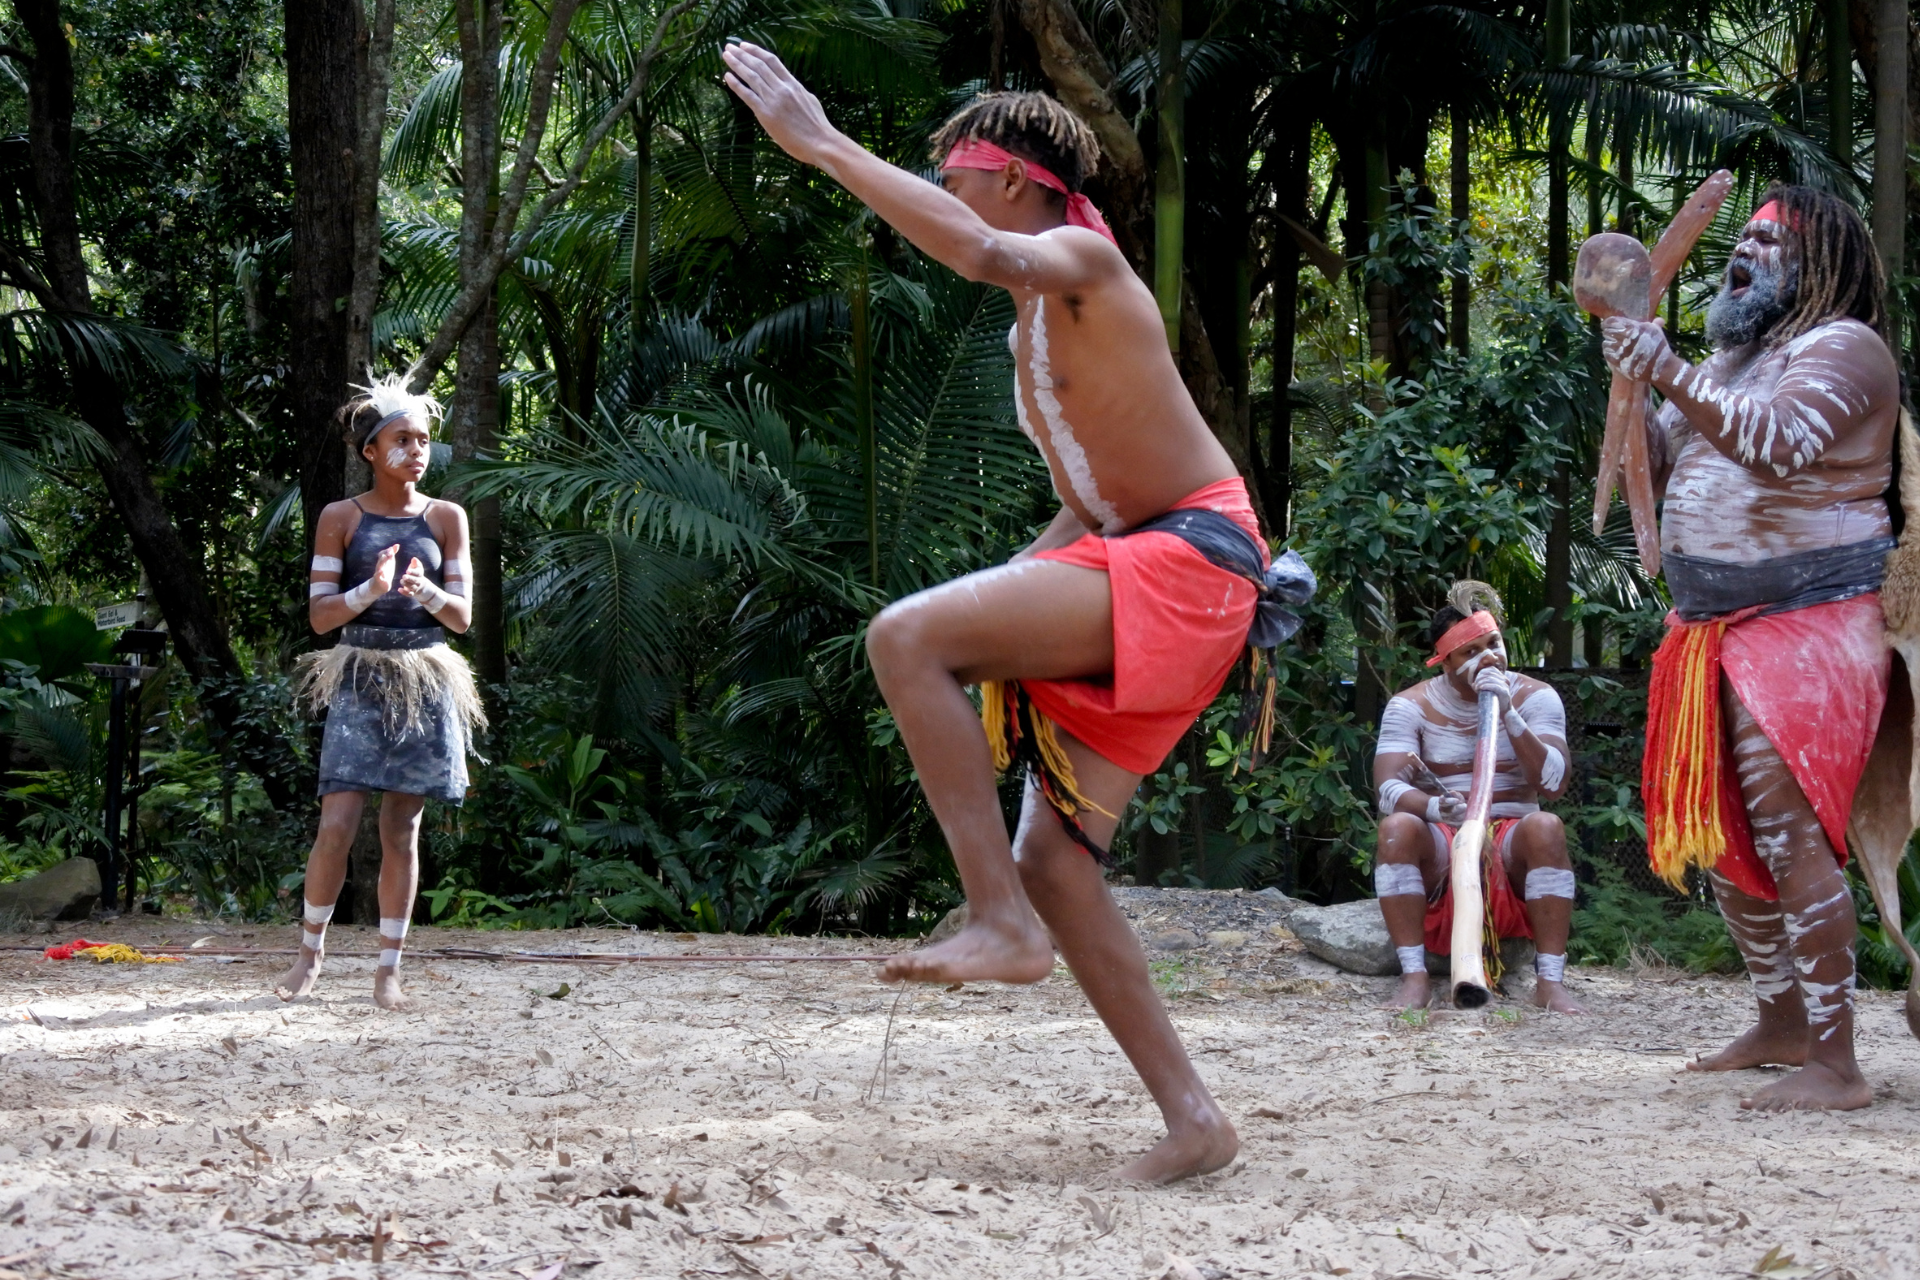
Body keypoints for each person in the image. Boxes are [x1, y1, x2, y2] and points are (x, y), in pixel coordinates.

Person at [722, 45, 1312, 1182]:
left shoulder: (1081, 250)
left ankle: (996, 918)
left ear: (1014, 178)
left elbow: (983, 252)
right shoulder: (1033, 327)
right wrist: (1012, 583)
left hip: (1193, 561)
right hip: (1160, 560)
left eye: (954, 174)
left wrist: (824, 144)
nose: (944, 190)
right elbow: (1086, 494)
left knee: (905, 633)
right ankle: (1196, 1120)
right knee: (1057, 855)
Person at [1603, 186, 1897, 1111]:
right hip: (1711, 630)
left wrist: (1670, 368)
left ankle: (1838, 1063)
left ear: (1822, 263)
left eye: (1771, 241)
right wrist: (1626, 367)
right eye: (1745, 235)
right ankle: (1780, 1021)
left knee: (1786, 827)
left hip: (1812, 619)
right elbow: (1657, 449)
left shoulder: (1846, 348)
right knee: (1728, 832)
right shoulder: (1734, 359)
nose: (1746, 249)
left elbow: (1779, 447)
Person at [275, 376, 486, 1011]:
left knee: (402, 827)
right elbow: (318, 618)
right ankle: (308, 957)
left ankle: (388, 970)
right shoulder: (341, 518)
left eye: (423, 439)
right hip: (360, 675)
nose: (416, 450)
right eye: (402, 439)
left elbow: (463, 619)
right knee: (336, 822)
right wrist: (370, 591)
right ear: (371, 449)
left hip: (425, 675)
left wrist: (424, 593)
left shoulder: (446, 517)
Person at [1370, 583, 1582, 1013]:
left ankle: (1551, 982)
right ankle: (1415, 978)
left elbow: (1554, 785)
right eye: (1470, 652)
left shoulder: (1535, 696)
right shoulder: (1410, 705)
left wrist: (1509, 713)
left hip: (1510, 844)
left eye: (1493, 644)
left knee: (1546, 826)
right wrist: (1432, 807)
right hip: (1443, 845)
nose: (1488, 658)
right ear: (1444, 661)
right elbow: (1387, 790)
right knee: (1396, 830)